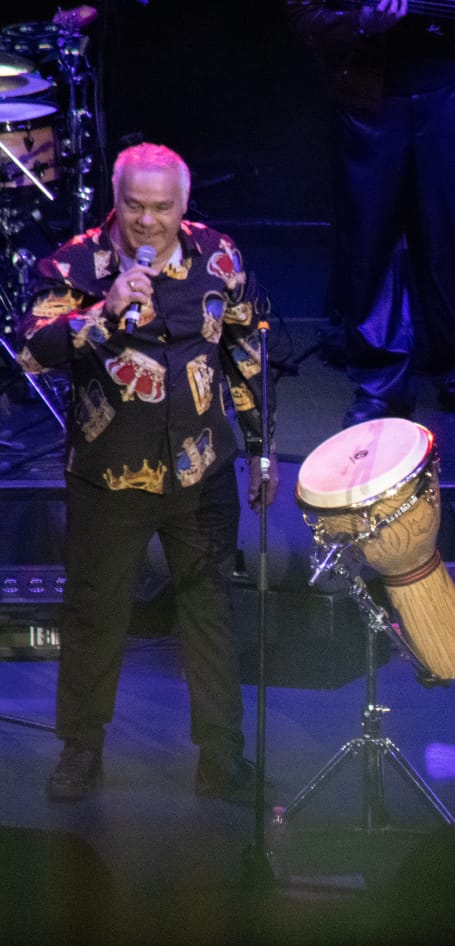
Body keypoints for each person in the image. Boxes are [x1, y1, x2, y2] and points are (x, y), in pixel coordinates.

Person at [17, 142, 280, 802]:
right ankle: (82, 749)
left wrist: (262, 447)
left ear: (184, 205)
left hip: (201, 470)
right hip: (109, 476)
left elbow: (245, 353)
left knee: (211, 611)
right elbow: (31, 352)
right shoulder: (75, 263)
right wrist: (102, 312)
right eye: (134, 205)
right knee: (95, 614)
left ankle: (221, 755)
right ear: (117, 199)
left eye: (162, 207)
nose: (147, 221)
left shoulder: (219, 256)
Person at [286, 0, 455, 425]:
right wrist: (363, 21)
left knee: (452, 237)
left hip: (444, 86)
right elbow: (304, 16)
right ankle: (381, 385)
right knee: (371, 243)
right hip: (369, 96)